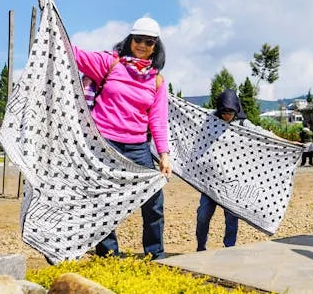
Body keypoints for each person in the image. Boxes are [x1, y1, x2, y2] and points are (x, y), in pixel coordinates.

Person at [73, 17, 172, 260]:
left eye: (149, 42)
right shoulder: (109, 64)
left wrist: (164, 155)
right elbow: (70, 52)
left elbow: (157, 121)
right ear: (130, 40)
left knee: (153, 202)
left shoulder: (157, 80)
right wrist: (51, 18)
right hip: (105, 144)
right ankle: (108, 256)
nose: (142, 45)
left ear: (155, 47)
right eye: (138, 39)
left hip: (138, 147)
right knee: (103, 201)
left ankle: (155, 255)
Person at [196, 89, 268, 251]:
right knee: (203, 215)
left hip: (233, 182)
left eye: (231, 112)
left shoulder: (243, 125)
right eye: (224, 112)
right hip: (210, 180)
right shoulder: (209, 121)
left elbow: (264, 135)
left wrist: (286, 142)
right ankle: (200, 247)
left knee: (231, 218)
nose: (227, 116)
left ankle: (229, 248)